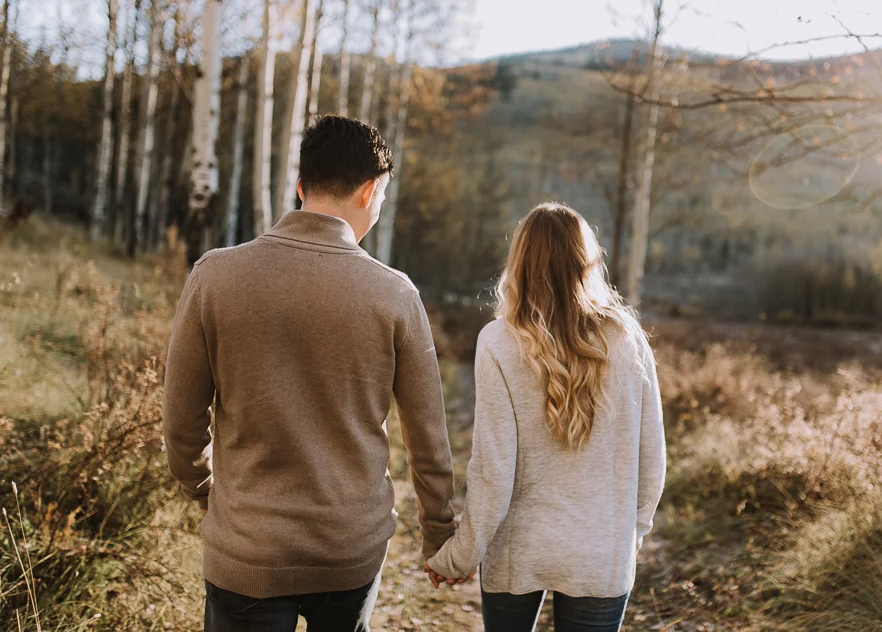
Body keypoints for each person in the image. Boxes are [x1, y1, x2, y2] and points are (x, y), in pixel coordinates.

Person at [163, 115, 460, 632]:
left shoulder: (215, 276)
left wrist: (208, 492)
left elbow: (181, 422)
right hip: (348, 550)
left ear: (301, 186)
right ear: (369, 191)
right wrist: (438, 532)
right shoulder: (395, 295)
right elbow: (428, 437)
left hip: (247, 546)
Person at [426, 203, 667, 632]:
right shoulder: (628, 339)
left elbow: (492, 472)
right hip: (601, 552)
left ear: (519, 262)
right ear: (587, 261)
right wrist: (633, 533)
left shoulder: (498, 341)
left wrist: (460, 556)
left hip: (518, 550)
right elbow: (652, 459)